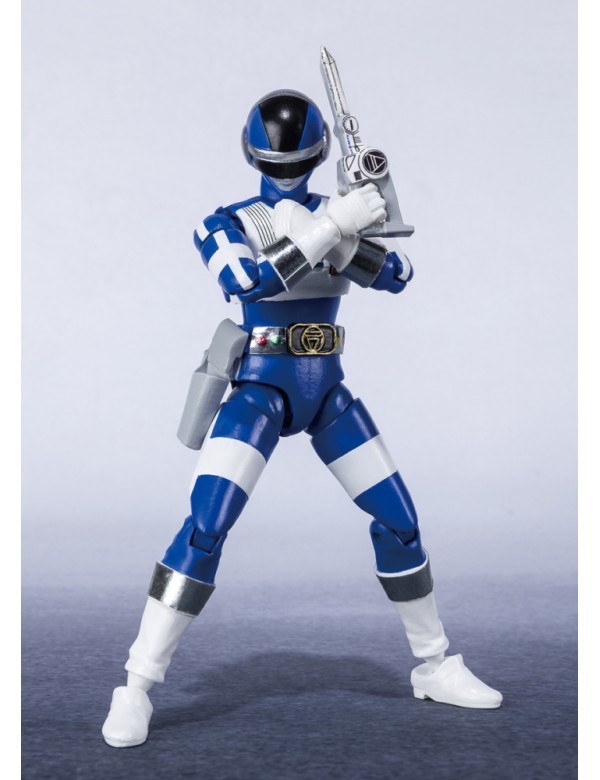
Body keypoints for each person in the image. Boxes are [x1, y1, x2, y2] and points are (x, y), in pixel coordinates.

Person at [102, 90, 502, 749]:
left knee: (400, 521)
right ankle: (136, 685)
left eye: (293, 160)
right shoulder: (224, 222)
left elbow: (399, 274)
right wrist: (328, 229)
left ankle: (434, 664)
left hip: (326, 389)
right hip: (259, 388)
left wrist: (348, 236)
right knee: (205, 527)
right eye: (277, 160)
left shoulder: (345, 210)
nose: (286, 170)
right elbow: (247, 283)